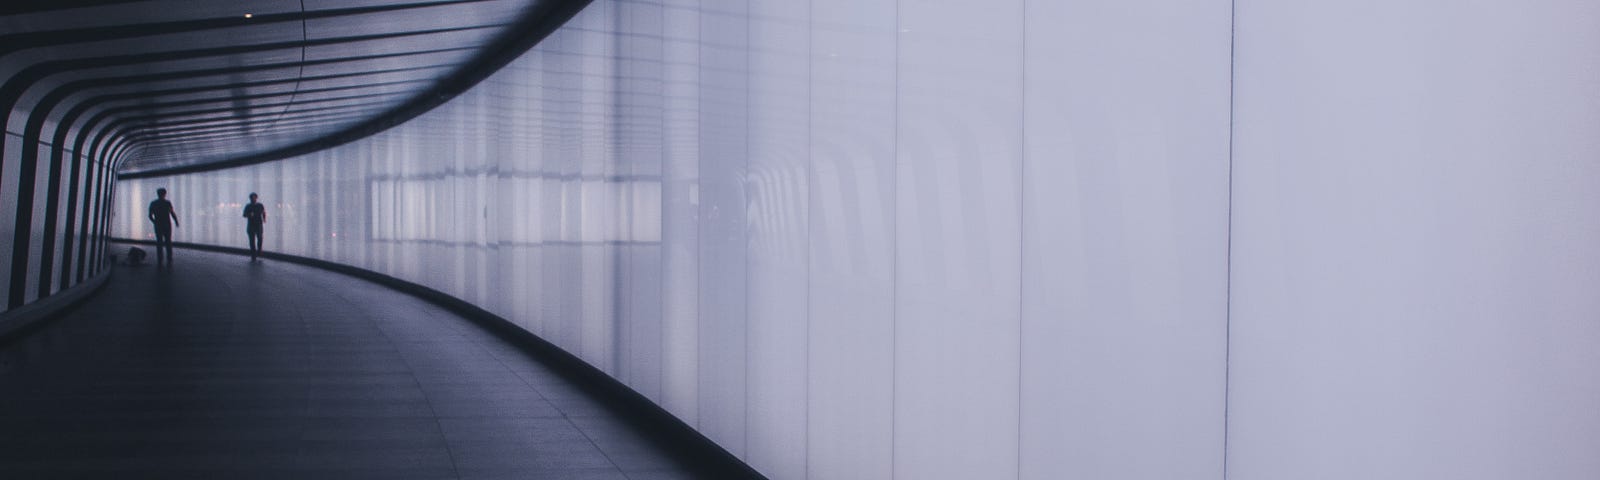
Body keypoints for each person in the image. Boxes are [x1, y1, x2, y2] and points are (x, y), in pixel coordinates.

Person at [147, 188, 179, 266]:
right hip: (167, 225)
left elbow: (150, 216)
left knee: (159, 242)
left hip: (158, 225)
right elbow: (172, 213)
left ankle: (160, 259)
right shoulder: (167, 203)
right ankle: (169, 258)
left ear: (157, 194)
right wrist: (176, 221)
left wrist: (154, 222)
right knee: (168, 242)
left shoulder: (153, 203)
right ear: (165, 194)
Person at [242, 192, 267, 261]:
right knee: (252, 240)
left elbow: (263, 212)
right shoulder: (248, 206)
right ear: (250, 199)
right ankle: (254, 254)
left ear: (256, 198)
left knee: (260, 238)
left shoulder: (260, 205)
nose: (253, 199)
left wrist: (264, 218)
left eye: (254, 197)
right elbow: (244, 215)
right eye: (252, 198)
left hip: (258, 225)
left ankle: (259, 250)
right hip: (251, 225)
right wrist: (249, 215)